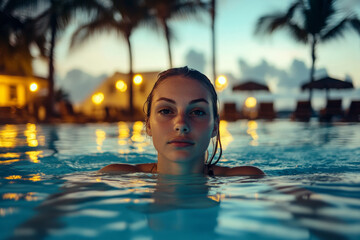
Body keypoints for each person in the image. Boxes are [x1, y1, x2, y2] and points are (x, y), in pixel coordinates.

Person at [100, 66, 264, 176]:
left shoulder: (246, 178)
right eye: (166, 111)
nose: (181, 124)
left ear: (215, 127)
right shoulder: (115, 176)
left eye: (197, 112)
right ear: (148, 125)